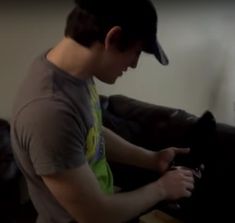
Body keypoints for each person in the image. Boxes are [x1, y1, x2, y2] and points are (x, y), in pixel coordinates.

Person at [10, 0, 194, 222]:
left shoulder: (74, 72)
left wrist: (153, 159)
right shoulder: (49, 113)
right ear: (113, 38)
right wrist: (162, 189)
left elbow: (91, 132)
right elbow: (96, 215)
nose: (134, 64)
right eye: (136, 52)